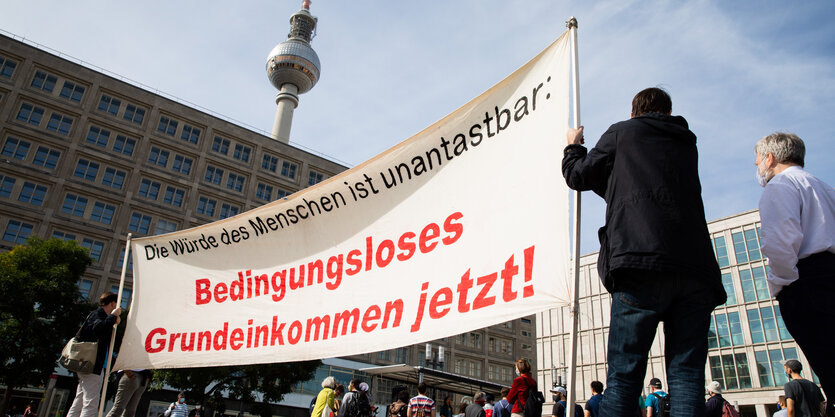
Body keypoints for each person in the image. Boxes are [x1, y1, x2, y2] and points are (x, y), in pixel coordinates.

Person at [562, 87, 724, 417]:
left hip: (640, 263)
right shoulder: (686, 143)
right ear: (668, 111)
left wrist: (573, 145)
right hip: (694, 269)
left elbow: (577, 175)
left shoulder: (622, 132)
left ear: (634, 112)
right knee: (687, 377)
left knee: (624, 377)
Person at [755, 131, 835, 402]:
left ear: (770, 157)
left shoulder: (779, 186)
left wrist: (782, 284)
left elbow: (780, 243)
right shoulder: (824, 187)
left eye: (758, 160)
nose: (757, 166)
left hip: (807, 281)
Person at [66, 292, 123, 417]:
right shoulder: (98, 314)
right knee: (91, 401)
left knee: (80, 401)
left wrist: (113, 320)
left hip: (87, 363)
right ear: (113, 303)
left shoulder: (96, 315)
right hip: (93, 364)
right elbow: (99, 329)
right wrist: (113, 316)